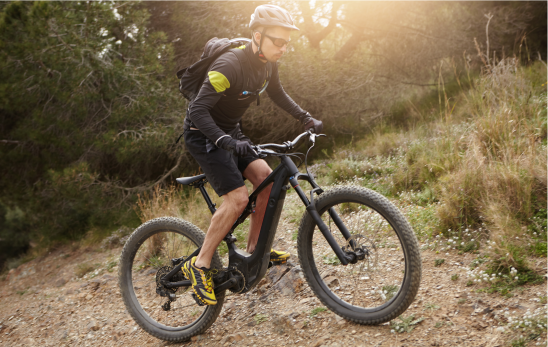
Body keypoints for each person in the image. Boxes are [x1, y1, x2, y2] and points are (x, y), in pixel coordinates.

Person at [182, 4, 323, 306]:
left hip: (230, 131)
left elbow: (277, 93)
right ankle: (200, 264)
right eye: (278, 41)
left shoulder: (268, 63)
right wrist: (225, 142)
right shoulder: (229, 66)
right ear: (257, 37)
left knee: (267, 182)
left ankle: (255, 250)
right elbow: (198, 111)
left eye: (288, 42)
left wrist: (305, 117)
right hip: (204, 133)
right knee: (238, 199)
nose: (284, 48)